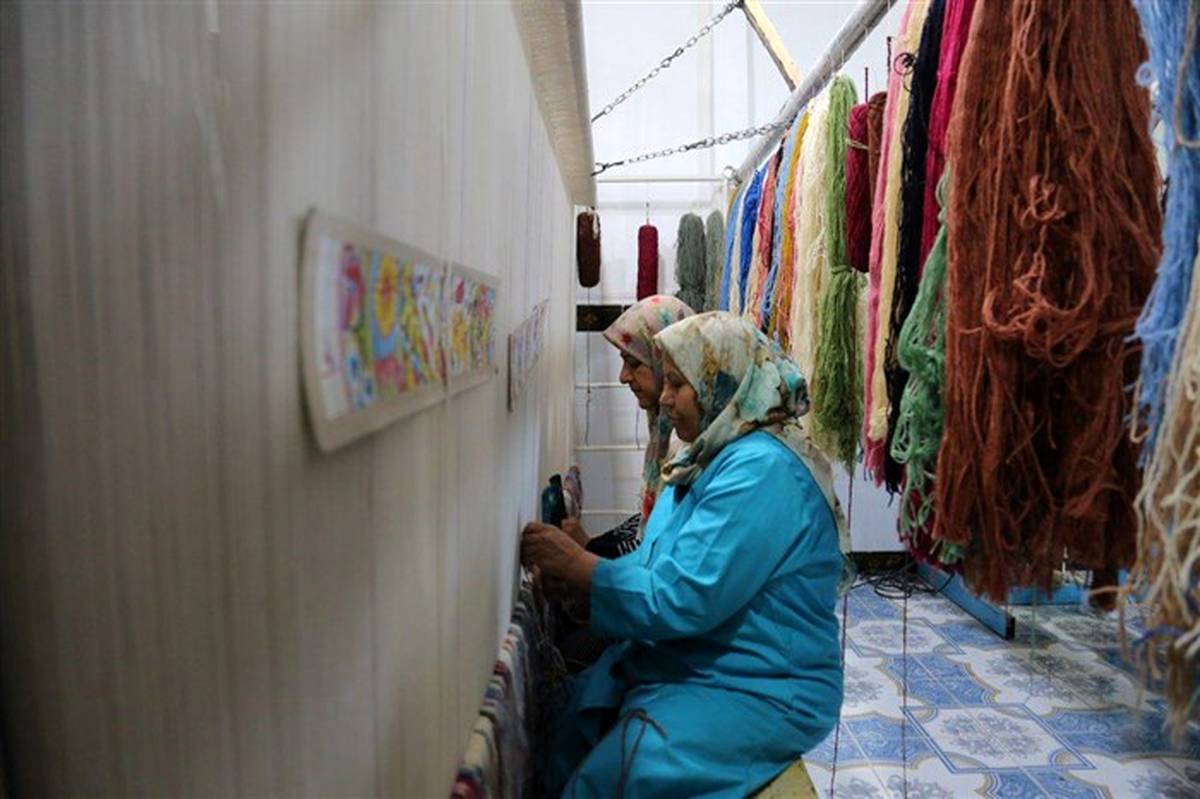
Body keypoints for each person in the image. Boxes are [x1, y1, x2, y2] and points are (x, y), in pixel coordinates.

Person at [522, 312, 847, 798]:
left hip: (765, 683)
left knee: (621, 773)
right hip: (706, 659)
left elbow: (683, 595)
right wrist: (585, 579)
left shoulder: (762, 471)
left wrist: (581, 567)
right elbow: (659, 562)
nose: (665, 397)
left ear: (722, 382)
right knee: (573, 717)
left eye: (677, 383)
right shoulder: (708, 457)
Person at [561, 295, 693, 558]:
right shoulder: (664, 432)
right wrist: (594, 545)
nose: (623, 377)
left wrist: (587, 550)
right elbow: (648, 522)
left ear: (666, 361)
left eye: (634, 363)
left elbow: (662, 549)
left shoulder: (689, 448)